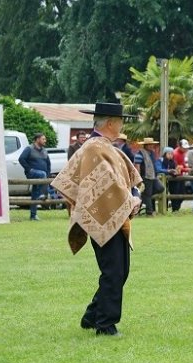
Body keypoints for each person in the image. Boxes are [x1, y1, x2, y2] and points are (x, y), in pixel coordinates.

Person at [51, 102, 142, 336]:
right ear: (111, 123)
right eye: (120, 121)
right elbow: (108, 181)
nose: (122, 125)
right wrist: (130, 201)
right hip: (102, 215)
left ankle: (91, 316)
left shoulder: (106, 146)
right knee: (113, 271)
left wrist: (134, 194)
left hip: (113, 214)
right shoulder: (95, 147)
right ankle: (105, 324)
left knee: (119, 270)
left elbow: (122, 176)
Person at [18, 132, 51, 221]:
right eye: (43, 139)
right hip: (32, 173)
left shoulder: (44, 150)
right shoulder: (29, 149)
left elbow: (48, 163)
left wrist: (48, 174)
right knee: (42, 174)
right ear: (37, 139)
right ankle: (42, 194)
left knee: (34, 194)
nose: (45, 141)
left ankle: (33, 215)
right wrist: (29, 169)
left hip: (42, 176)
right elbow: (21, 159)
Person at [134, 137, 164, 216]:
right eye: (149, 144)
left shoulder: (152, 153)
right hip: (145, 176)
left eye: (152, 144)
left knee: (160, 188)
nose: (151, 146)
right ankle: (149, 212)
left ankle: (143, 197)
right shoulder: (139, 153)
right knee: (148, 194)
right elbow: (137, 166)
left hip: (153, 176)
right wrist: (138, 178)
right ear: (145, 145)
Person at [159, 146, 184, 212]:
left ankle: (175, 209)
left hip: (172, 180)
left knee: (175, 193)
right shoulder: (161, 160)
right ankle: (165, 208)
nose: (170, 155)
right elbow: (160, 170)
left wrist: (177, 171)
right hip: (163, 180)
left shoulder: (173, 162)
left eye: (171, 154)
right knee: (164, 194)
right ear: (165, 154)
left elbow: (175, 169)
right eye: (169, 154)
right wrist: (169, 171)